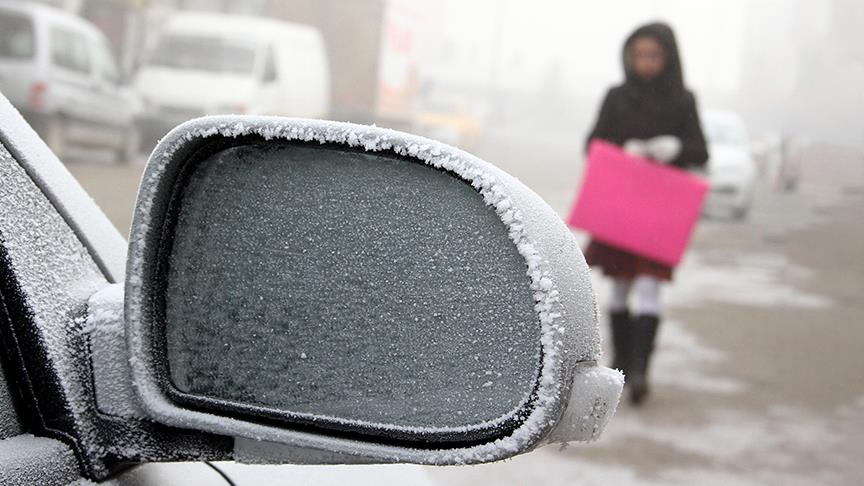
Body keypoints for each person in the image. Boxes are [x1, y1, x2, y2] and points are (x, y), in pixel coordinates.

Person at [584, 22, 708, 405]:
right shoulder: (616, 97)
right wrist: (624, 149)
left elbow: (700, 151)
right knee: (620, 286)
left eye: (653, 55)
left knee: (652, 287)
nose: (645, 62)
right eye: (638, 54)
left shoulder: (683, 101)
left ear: (668, 58)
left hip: (659, 214)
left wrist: (675, 148)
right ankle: (620, 363)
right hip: (620, 208)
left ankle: (640, 369)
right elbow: (592, 144)